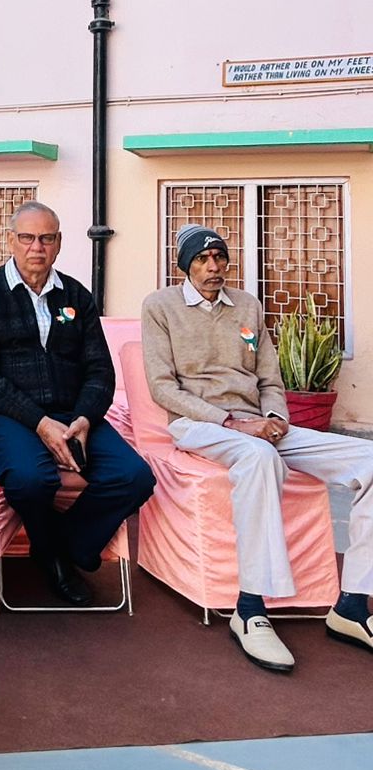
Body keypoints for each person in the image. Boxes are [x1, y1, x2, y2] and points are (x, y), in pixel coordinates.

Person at [142, 224, 373, 673]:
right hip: (201, 424)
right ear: (185, 266)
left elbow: (270, 379)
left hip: (260, 425)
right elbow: (163, 388)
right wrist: (232, 422)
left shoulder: (247, 305)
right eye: (202, 260)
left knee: (368, 460)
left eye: (220, 258)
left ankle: (352, 604)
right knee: (258, 455)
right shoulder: (160, 306)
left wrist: (275, 419)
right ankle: (250, 608)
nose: (213, 267)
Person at [0, 202, 155, 606]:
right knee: (31, 480)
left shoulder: (76, 295)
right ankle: (55, 558)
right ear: (10, 240)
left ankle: (63, 546)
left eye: (46, 238)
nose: (37, 247)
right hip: (10, 417)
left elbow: (100, 370)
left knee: (135, 476)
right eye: (28, 238)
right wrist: (39, 422)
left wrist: (85, 417)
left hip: (74, 414)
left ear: (59, 242)